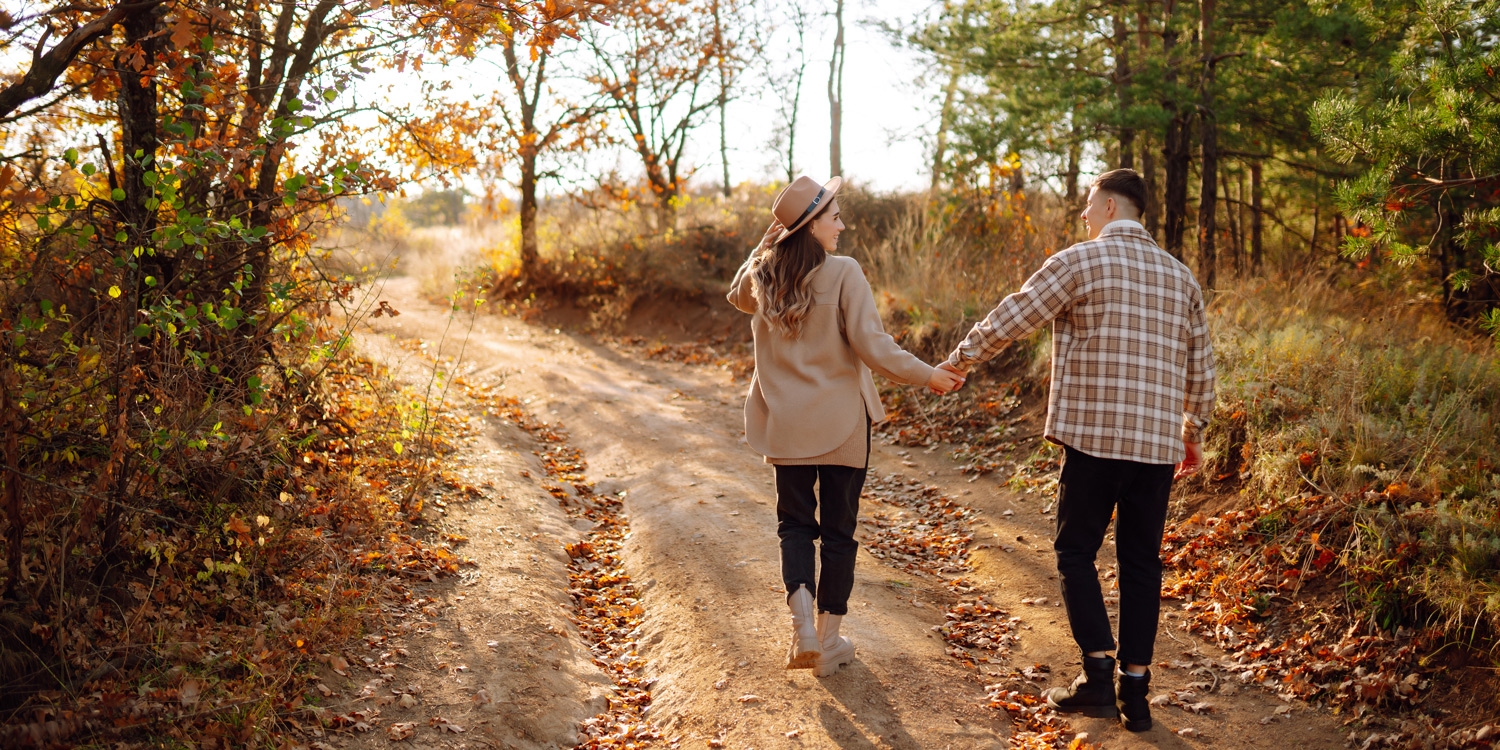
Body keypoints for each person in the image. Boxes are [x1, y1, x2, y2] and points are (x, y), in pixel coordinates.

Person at [936, 168, 1216, 731]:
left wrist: (961, 358)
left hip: (1093, 442)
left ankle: (1096, 676)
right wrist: (1193, 433)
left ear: (1110, 206)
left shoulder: (1080, 261)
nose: (1084, 218)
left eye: (1089, 207)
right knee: (1141, 564)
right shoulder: (1180, 277)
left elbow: (1015, 315)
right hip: (1155, 447)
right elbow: (1202, 364)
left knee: (1075, 554)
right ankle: (1135, 692)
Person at [728, 175, 965, 677]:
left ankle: (803, 631)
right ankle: (829, 641)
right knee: (838, 532)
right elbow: (874, 346)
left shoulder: (762, 275)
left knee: (794, 527)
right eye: (833, 216)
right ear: (810, 225)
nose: (842, 225)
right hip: (841, 424)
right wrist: (929, 375)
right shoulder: (843, 272)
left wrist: (770, 240)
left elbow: (738, 296)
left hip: (786, 424)